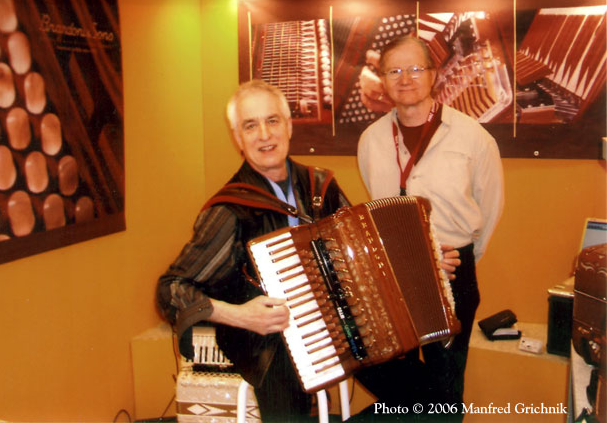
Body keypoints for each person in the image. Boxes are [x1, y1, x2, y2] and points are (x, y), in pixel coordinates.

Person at [155, 79, 351, 422]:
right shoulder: (229, 209)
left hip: (333, 323)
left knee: (414, 385)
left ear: (288, 126)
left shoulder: (322, 185)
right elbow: (170, 289)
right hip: (266, 340)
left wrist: (420, 260)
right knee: (289, 398)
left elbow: (360, 244)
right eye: (251, 125)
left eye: (272, 121)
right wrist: (239, 315)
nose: (264, 135)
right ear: (238, 138)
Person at [356, 36, 504, 421]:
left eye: (415, 69)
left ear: (434, 75)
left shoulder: (473, 136)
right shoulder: (370, 140)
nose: (405, 79)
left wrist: (463, 256)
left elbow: (489, 208)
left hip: (455, 269)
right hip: (395, 273)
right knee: (393, 374)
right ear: (383, 80)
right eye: (394, 71)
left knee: (447, 378)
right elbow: (378, 205)